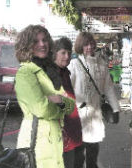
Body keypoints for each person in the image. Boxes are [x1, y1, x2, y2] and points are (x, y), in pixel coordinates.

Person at [14, 25, 75, 168]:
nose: (42, 44)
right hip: (36, 143)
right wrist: (61, 105)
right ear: (26, 46)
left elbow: (70, 104)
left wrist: (59, 100)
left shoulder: (49, 70)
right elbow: (41, 109)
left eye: (44, 40)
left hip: (54, 139)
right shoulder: (26, 73)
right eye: (35, 41)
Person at [68, 32, 120, 168]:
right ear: (80, 46)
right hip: (78, 116)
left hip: (96, 113)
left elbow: (108, 88)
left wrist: (115, 108)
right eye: (85, 44)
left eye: (91, 43)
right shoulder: (74, 64)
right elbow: (67, 90)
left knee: (93, 150)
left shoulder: (101, 64)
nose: (89, 47)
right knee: (78, 153)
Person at [53, 37, 83, 168]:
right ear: (55, 53)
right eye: (63, 53)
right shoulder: (51, 74)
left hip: (73, 132)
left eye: (69, 53)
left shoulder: (65, 72)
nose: (67, 57)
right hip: (61, 136)